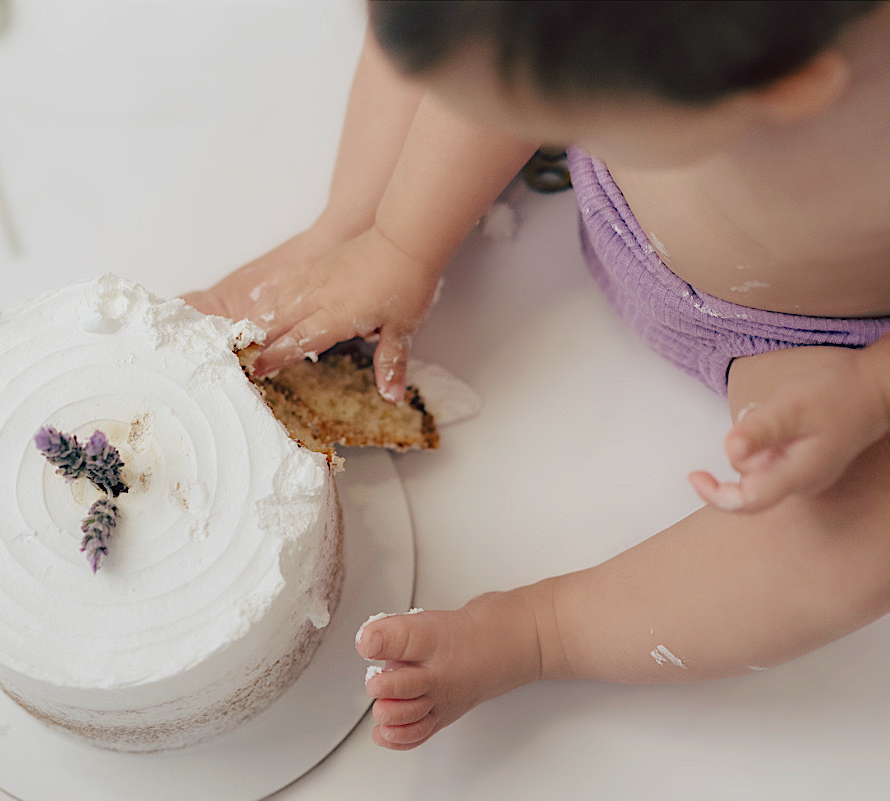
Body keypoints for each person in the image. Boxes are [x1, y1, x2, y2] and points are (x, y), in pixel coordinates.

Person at [184, 1, 890, 751]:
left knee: (858, 534)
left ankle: (549, 631)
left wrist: (868, 393)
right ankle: (349, 232)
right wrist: (402, 240)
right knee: (471, 30)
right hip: (581, 75)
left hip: (806, 339)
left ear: (784, 88)